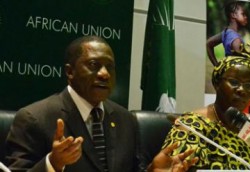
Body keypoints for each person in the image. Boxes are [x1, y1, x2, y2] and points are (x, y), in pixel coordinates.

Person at [5, 35, 197, 172]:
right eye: (94, 65)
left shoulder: (125, 119)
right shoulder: (34, 118)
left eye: (110, 67)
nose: (104, 74)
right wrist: (52, 164)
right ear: (70, 72)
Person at [161, 46, 250, 171]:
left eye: (249, 86)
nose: (242, 90)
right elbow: (173, 167)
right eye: (234, 82)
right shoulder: (192, 126)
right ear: (217, 83)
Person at [207, 1, 247, 66]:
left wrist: (217, 66)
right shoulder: (236, 39)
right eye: (243, 14)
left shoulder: (226, 32)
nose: (246, 17)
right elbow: (241, 64)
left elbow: (208, 43)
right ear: (233, 15)